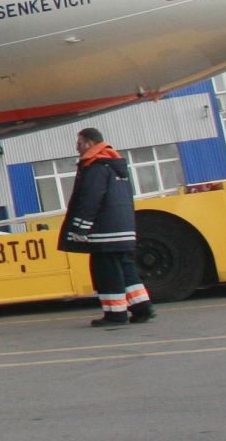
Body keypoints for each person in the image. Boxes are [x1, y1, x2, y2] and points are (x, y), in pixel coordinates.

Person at [59, 126, 154, 327]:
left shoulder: (95, 167)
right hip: (123, 230)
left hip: (105, 233)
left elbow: (90, 200)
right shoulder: (115, 165)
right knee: (126, 269)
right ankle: (142, 308)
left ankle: (115, 314)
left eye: (79, 143)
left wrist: (80, 228)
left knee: (106, 272)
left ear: (89, 143)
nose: (77, 148)